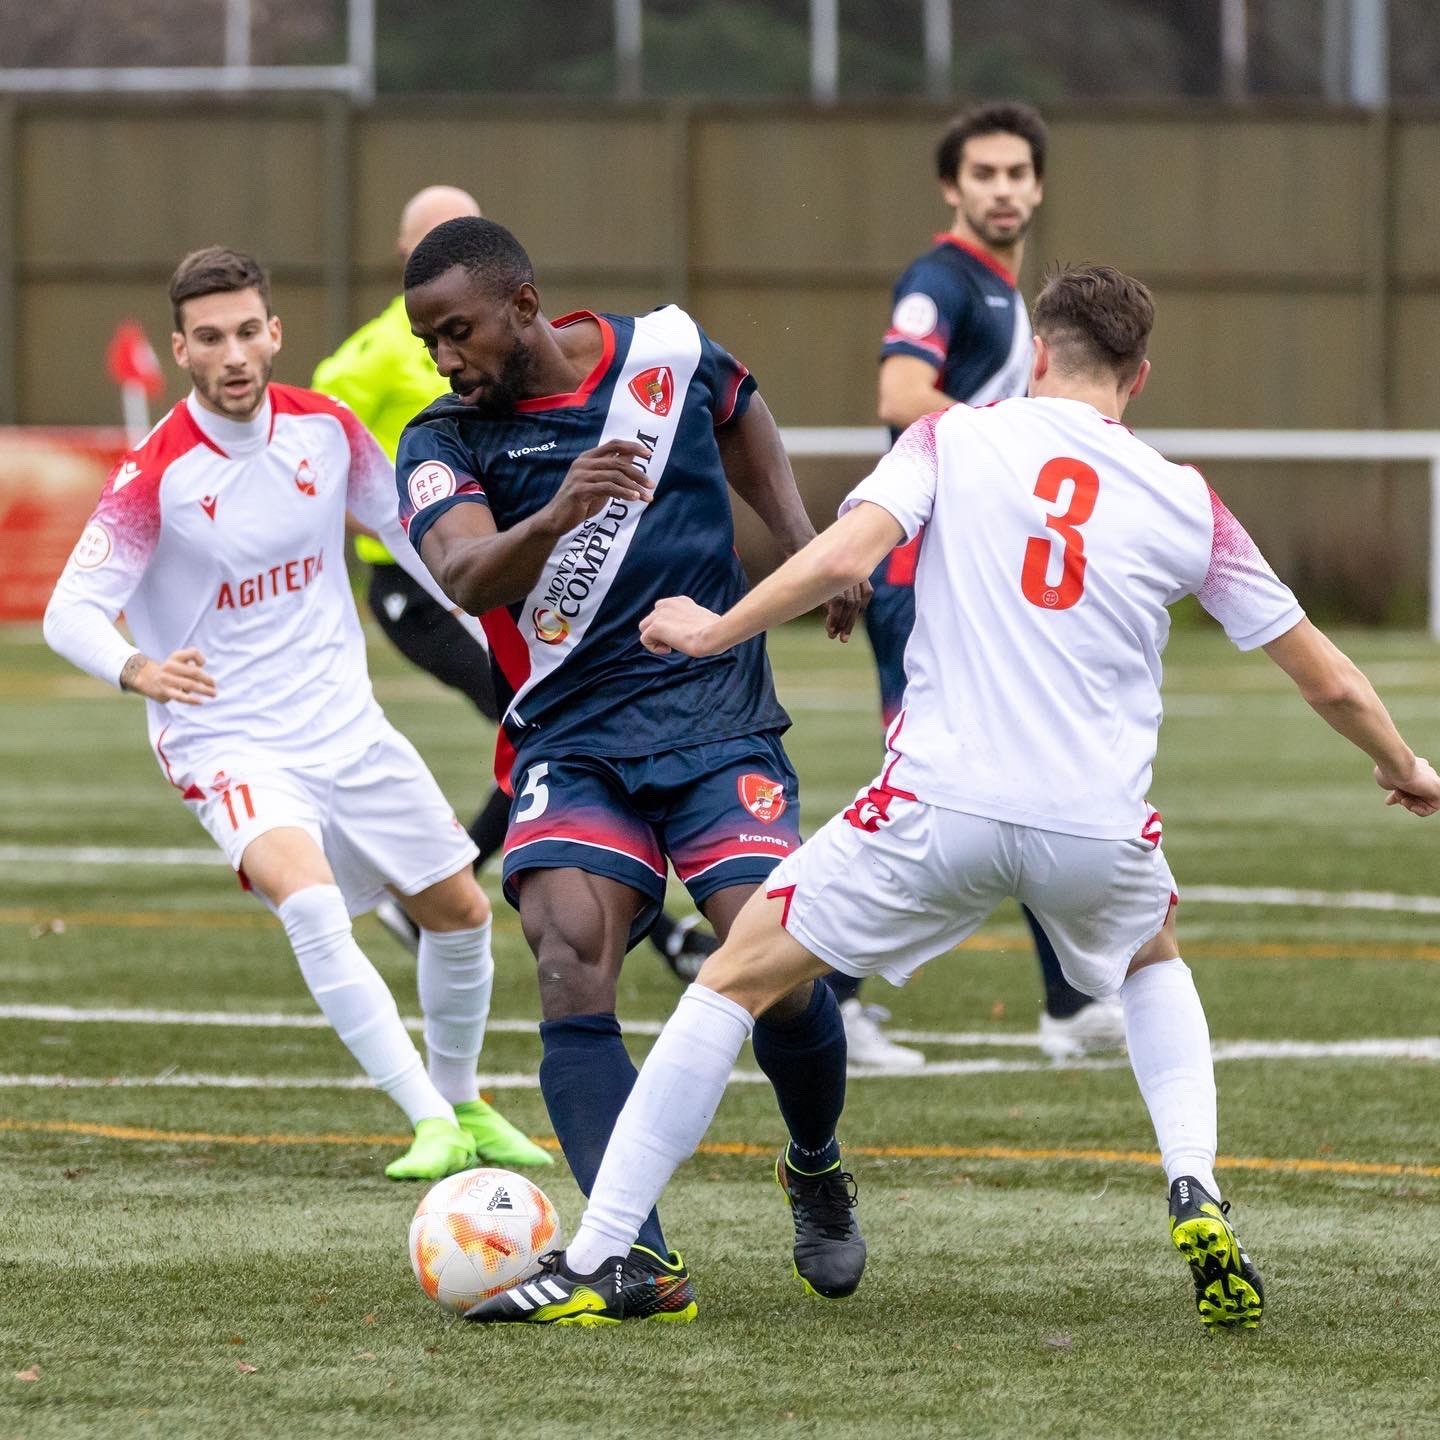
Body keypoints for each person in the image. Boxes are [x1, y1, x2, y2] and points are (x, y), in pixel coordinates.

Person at [464, 264, 1440, 1328]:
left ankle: (607, 1254)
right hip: (1096, 832)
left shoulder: (954, 439)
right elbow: (1327, 675)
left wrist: (713, 626)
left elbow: (847, 551)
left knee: (731, 980)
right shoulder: (1186, 498)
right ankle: (1193, 1181)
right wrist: (1404, 764)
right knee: (1153, 953)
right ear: (1140, 378)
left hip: (939, 809)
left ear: (1034, 356)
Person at [397, 216, 871, 1321]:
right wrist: (558, 514)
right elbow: (465, 576)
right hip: (571, 738)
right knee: (570, 959)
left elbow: (741, 412)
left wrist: (804, 545)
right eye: (430, 343)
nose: (445, 361)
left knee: (778, 964)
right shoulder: (443, 441)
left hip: (717, 721)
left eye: (457, 333)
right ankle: (637, 1258)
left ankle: (813, 1160)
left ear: (524, 307)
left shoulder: (661, 358)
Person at [43, 245, 548, 1177]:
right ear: (182, 349)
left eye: (246, 332)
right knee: (312, 904)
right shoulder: (157, 474)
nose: (233, 355)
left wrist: (508, 647)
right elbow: (67, 609)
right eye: (209, 338)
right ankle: (425, 1119)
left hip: (347, 727)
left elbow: (413, 538)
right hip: (228, 741)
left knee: (462, 912)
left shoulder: (329, 430)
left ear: (274, 334)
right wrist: (137, 669)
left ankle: (465, 1102)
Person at [312, 185, 719, 979]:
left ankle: (484, 888)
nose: (446, 356)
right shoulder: (364, 359)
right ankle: (638, 923)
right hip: (421, 586)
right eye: (427, 235)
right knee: (547, 721)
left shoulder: (511, 338)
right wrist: (410, 529)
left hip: (510, 574)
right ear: (404, 257)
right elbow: (318, 476)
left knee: (558, 725)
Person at [860, 100, 1126, 1067]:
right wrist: (1016, 452)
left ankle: (1067, 1003)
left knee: (1021, 773)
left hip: (974, 582)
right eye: (985, 174)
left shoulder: (1012, 295)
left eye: (1019, 173)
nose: (1004, 189)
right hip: (921, 580)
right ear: (952, 186)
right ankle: (826, 996)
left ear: (1039, 185)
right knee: (928, 791)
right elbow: (899, 398)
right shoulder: (942, 281)